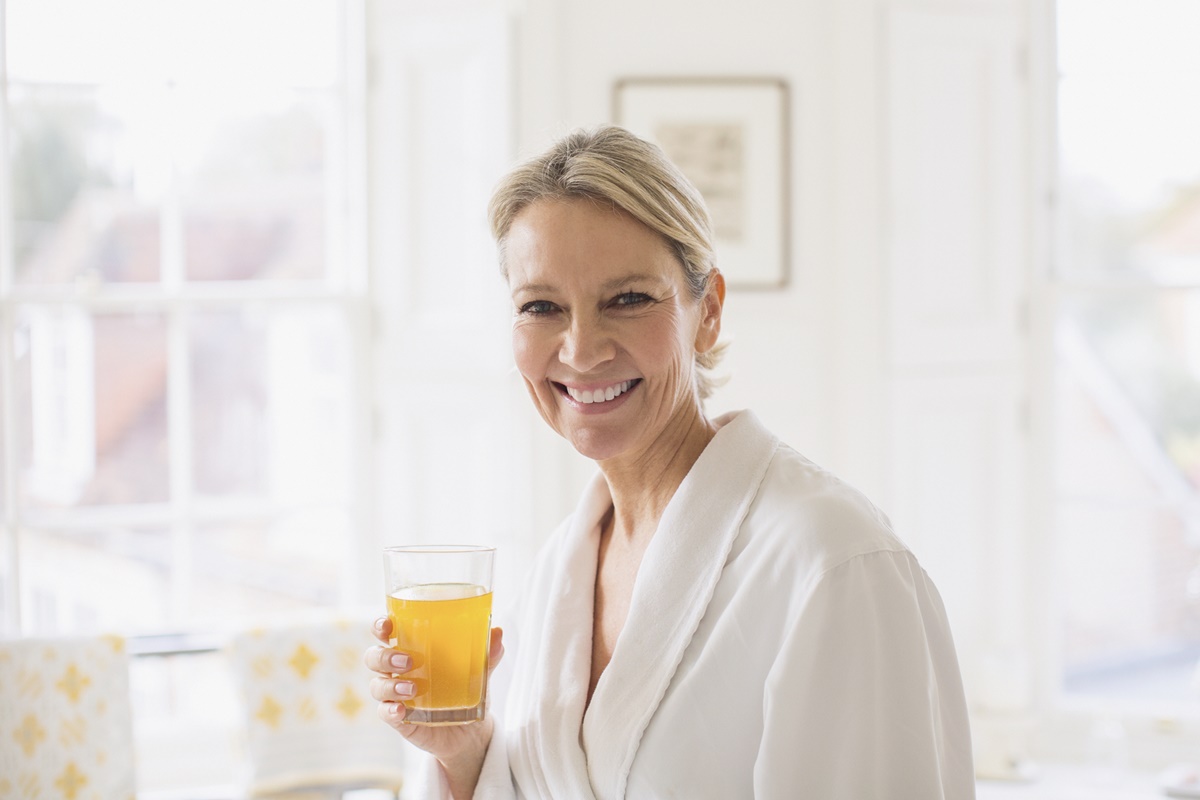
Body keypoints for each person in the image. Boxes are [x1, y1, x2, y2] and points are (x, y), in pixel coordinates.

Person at [365, 124, 975, 799]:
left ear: (706, 311)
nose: (582, 349)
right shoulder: (558, 572)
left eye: (627, 299)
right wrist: (464, 749)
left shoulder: (833, 561)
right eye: (541, 306)